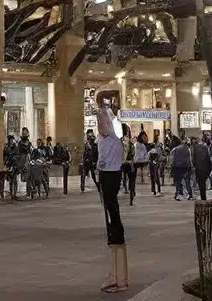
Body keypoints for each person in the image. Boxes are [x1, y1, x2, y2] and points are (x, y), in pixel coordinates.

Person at [96, 103, 128, 293]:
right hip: (105, 177)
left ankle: (117, 278)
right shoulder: (102, 139)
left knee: (113, 215)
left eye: (103, 121)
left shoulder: (115, 139)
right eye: (99, 122)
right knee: (109, 215)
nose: (100, 125)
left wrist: (108, 112)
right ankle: (115, 275)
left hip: (111, 177)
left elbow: (115, 124)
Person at [171, 135, 194, 201]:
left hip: (177, 167)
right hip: (186, 167)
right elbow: (189, 159)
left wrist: (173, 166)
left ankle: (177, 195)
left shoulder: (175, 149)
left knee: (178, 182)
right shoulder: (188, 150)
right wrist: (191, 167)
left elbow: (173, 158)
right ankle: (190, 195)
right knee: (187, 182)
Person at [192, 135, 212, 202]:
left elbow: (193, 160)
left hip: (199, 168)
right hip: (205, 169)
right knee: (202, 183)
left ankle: (203, 197)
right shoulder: (205, 148)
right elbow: (208, 161)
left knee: (201, 184)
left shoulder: (195, 148)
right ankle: (203, 197)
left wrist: (195, 166)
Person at [81, 128, 99, 194]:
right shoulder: (88, 140)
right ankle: (82, 187)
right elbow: (86, 151)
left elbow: (93, 150)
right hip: (88, 160)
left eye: (88, 133)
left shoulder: (92, 140)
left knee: (92, 175)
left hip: (90, 160)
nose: (87, 134)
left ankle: (98, 186)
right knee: (84, 174)